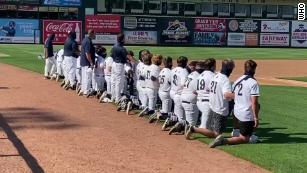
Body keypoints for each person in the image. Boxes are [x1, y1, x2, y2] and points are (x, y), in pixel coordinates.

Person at [209, 60, 260, 148]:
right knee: (244, 138)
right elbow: (254, 102)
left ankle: (236, 130)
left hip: (236, 112)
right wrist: (256, 118)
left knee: (242, 107)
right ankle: (223, 140)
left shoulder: (238, 80)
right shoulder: (253, 82)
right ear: (254, 69)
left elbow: (231, 96)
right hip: (246, 114)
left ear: (244, 68)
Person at [185, 59, 235, 145]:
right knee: (215, 133)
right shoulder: (221, 78)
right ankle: (193, 129)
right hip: (216, 107)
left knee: (212, 129)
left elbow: (204, 89)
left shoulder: (213, 76)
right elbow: (226, 95)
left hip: (207, 104)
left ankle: (193, 128)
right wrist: (241, 97)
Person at [169, 61, 199, 135]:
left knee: (181, 117)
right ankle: (180, 126)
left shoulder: (189, 74)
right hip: (181, 95)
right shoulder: (187, 73)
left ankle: (178, 124)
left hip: (176, 94)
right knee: (191, 124)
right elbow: (183, 84)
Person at [162, 56, 189, 132]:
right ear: (185, 63)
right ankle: (175, 125)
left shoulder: (173, 70)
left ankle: (171, 121)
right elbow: (183, 84)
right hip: (179, 94)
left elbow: (170, 81)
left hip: (172, 92)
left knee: (177, 112)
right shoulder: (184, 71)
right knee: (181, 117)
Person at [178, 61, 203, 132]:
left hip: (183, 98)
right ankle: (176, 123)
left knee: (188, 122)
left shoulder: (191, 74)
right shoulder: (198, 77)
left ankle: (180, 123)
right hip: (190, 102)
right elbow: (196, 91)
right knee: (191, 127)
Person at [148, 56, 173, 123]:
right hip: (166, 93)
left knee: (165, 109)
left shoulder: (162, 71)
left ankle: (158, 113)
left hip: (161, 91)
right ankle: (157, 114)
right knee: (167, 113)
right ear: (170, 63)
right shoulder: (170, 72)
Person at [194, 58, 216, 131]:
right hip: (207, 104)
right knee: (204, 128)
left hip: (199, 102)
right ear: (212, 66)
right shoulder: (213, 76)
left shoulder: (200, 75)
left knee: (209, 127)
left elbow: (195, 91)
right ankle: (190, 128)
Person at [111, 33, 128, 103]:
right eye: (124, 38)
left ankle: (113, 96)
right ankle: (118, 98)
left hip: (114, 64)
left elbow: (111, 55)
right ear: (122, 39)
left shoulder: (114, 46)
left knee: (114, 81)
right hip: (119, 65)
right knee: (118, 82)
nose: (125, 39)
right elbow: (127, 57)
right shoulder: (122, 48)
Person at [79, 29, 96, 96]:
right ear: (91, 34)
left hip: (83, 61)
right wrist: (91, 63)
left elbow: (80, 48)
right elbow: (87, 53)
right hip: (87, 62)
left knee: (84, 77)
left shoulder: (84, 39)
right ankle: (86, 91)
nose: (95, 35)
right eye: (94, 34)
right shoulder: (88, 41)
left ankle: (83, 90)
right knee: (87, 77)